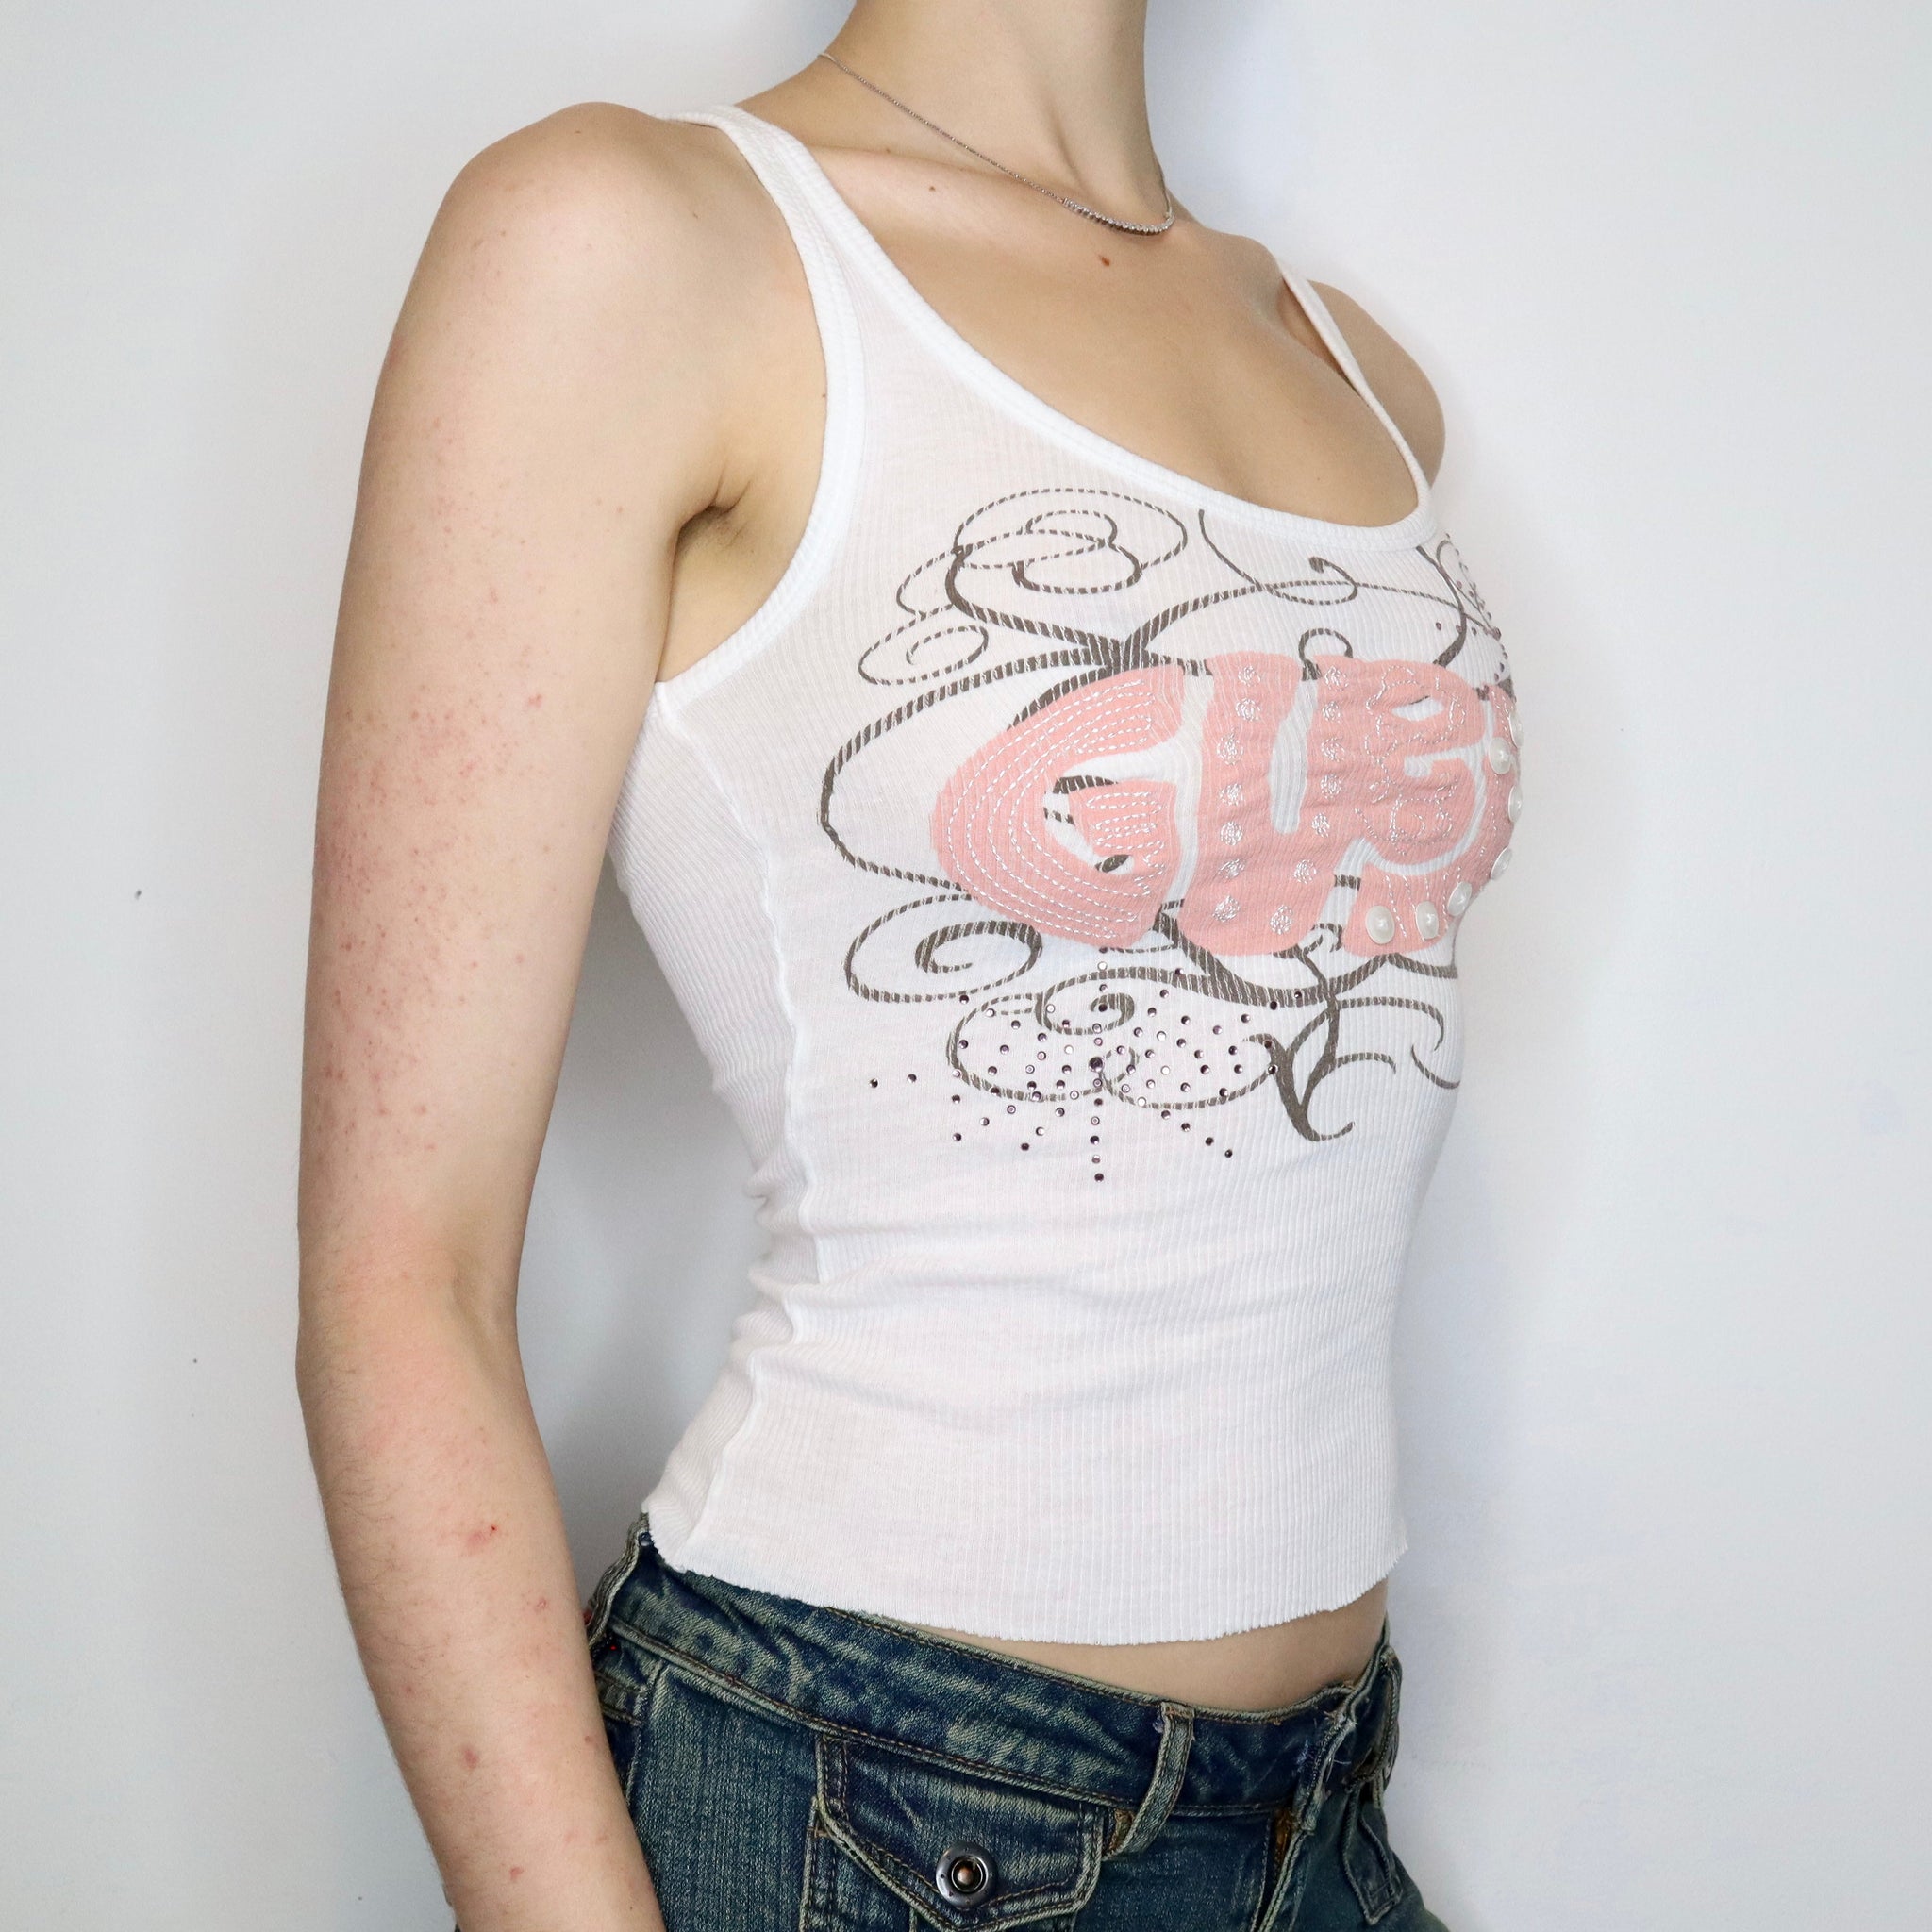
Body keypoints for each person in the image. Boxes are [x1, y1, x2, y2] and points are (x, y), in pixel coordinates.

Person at [299, 3, 1519, 1926]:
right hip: (870, 1807)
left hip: (1323, 1811)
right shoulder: (635, 242)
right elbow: (401, 1279)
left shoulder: (1351, 367)